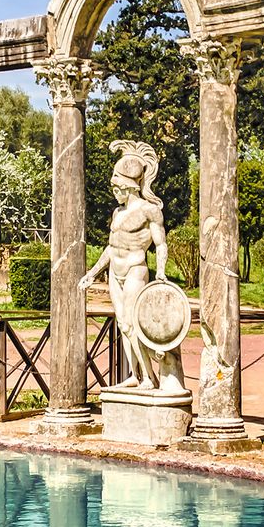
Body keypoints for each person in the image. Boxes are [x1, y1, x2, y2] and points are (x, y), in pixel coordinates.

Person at [80, 140, 184, 394]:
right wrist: (92, 273)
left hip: (136, 269)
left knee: (133, 323)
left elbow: (160, 244)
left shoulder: (150, 211)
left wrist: (161, 271)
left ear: (129, 187)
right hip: (115, 273)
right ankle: (135, 375)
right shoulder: (117, 213)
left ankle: (150, 377)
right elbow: (111, 247)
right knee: (123, 325)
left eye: (117, 187)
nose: (115, 192)